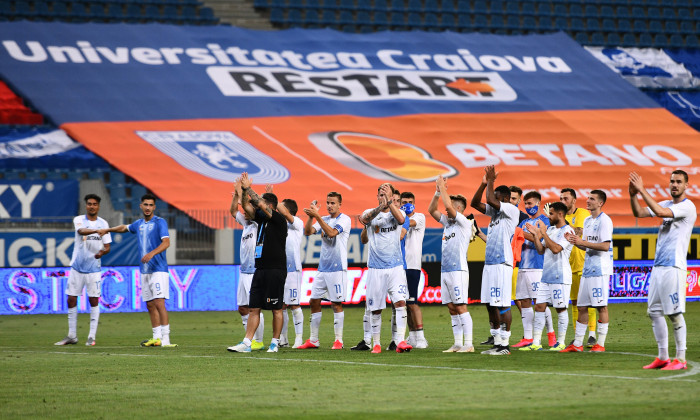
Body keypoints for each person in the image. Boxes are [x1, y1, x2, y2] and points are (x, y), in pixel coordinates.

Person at [629, 170, 696, 370]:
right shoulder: (666, 203)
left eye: (678, 182)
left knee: (674, 314)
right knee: (654, 312)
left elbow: (659, 213)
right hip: (659, 266)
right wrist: (633, 194)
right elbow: (639, 213)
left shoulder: (688, 206)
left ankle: (681, 359)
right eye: (672, 181)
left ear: (686, 185)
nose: (674, 185)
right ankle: (663, 357)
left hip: (674, 266)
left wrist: (642, 189)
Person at [100, 193, 176, 348]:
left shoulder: (160, 222)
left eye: (150, 205)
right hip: (145, 270)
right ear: (141, 206)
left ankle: (166, 339)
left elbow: (166, 242)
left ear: (154, 207)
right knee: (149, 304)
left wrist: (152, 253)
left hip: (158, 269)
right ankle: (156, 338)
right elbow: (124, 228)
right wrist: (108, 229)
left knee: (159, 302)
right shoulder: (139, 224)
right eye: (145, 205)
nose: (148, 208)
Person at [228, 173, 288, 353]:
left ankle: (275, 342)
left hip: (275, 269)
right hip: (260, 269)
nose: (258, 205)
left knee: (276, 309)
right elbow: (247, 206)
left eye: (262, 202)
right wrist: (240, 193)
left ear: (270, 206)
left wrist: (248, 188)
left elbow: (259, 203)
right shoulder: (260, 220)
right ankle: (247, 342)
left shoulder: (278, 220)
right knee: (254, 307)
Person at [470, 165, 520, 355]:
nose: (493, 201)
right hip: (490, 263)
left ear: (505, 199)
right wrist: (483, 184)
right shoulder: (496, 214)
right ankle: (497, 342)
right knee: (490, 303)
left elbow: (490, 199)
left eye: (497, 197)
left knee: (502, 303)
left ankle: (505, 345)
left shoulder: (511, 210)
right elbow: (475, 203)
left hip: (502, 262)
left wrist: (491, 180)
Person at [359, 183, 412, 354]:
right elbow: (364, 220)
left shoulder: (398, 212)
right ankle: (376, 343)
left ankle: (401, 341)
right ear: (377, 196)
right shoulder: (370, 212)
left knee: (400, 302)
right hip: (376, 268)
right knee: (376, 308)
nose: (384, 195)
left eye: (386, 192)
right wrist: (381, 206)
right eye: (381, 192)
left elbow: (402, 220)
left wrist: (389, 202)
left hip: (395, 266)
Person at [55, 194, 111, 347]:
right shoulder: (79, 219)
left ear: (98, 207)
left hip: (94, 269)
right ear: (86, 206)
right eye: (89, 204)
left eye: (94, 204)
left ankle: (91, 336)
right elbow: (81, 231)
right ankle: (72, 335)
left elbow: (107, 247)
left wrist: (102, 253)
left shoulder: (104, 223)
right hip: (77, 267)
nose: (91, 206)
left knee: (94, 300)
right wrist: (97, 231)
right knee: (71, 299)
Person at [298, 192, 351, 350]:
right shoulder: (324, 219)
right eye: (328, 202)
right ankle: (314, 340)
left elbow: (332, 233)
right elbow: (307, 232)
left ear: (340, 204)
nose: (329, 205)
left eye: (333, 203)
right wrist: (310, 217)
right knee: (314, 301)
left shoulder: (345, 219)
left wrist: (318, 217)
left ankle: (338, 341)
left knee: (336, 304)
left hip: (337, 268)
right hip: (323, 268)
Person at [561, 190, 613, 353]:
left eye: (592, 199)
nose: (588, 200)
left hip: (599, 269)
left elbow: (605, 246)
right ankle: (577, 344)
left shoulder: (605, 220)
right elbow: (586, 245)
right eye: (588, 198)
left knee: (601, 306)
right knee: (582, 306)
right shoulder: (589, 221)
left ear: (600, 203)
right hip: (587, 269)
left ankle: (601, 344)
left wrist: (582, 241)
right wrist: (575, 242)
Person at [428, 176, 475, 353]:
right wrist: (437, 192)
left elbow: (447, 206)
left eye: (451, 206)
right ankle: (457, 343)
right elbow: (432, 210)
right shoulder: (448, 224)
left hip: (458, 271)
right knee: (451, 307)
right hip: (445, 270)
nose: (447, 210)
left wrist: (443, 188)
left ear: (458, 208)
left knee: (461, 306)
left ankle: (469, 344)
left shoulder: (463, 222)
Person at [520, 202, 574, 352]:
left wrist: (543, 233)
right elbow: (541, 250)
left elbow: (556, 249)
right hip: (546, 276)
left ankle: (561, 342)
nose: (549, 216)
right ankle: (536, 342)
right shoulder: (549, 229)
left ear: (560, 214)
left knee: (560, 308)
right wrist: (536, 235)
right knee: (539, 306)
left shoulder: (568, 231)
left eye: (551, 214)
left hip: (560, 276)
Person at [511, 191, 557, 349]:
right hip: (523, 267)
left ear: (538, 203)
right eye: (526, 204)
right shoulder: (522, 223)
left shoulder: (545, 220)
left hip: (538, 267)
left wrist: (520, 233)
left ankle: (551, 335)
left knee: (540, 303)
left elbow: (542, 238)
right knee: (524, 302)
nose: (528, 206)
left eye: (530, 203)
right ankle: (528, 337)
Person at [230, 180, 265, 351]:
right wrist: (236, 195)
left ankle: (257, 340)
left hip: (254, 271)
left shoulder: (260, 224)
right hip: (243, 271)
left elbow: (248, 205)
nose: (245, 212)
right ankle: (248, 339)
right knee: (242, 308)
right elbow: (233, 210)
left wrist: (244, 190)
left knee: (254, 308)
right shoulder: (246, 224)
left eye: (248, 210)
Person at [560, 188, 597, 347]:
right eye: (560, 198)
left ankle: (592, 334)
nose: (562, 201)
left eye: (565, 198)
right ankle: (577, 336)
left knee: (589, 302)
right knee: (574, 302)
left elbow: (578, 232)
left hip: (584, 264)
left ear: (574, 200)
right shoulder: (560, 217)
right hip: (568, 267)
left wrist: (562, 226)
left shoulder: (581, 213)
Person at [400, 191, 428, 349]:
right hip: (399, 265)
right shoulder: (398, 218)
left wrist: (398, 216)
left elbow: (408, 223)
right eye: (404, 201)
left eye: (410, 201)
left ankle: (421, 338)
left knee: (412, 302)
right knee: (403, 304)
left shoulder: (419, 217)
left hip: (412, 265)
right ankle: (411, 336)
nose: (407, 204)